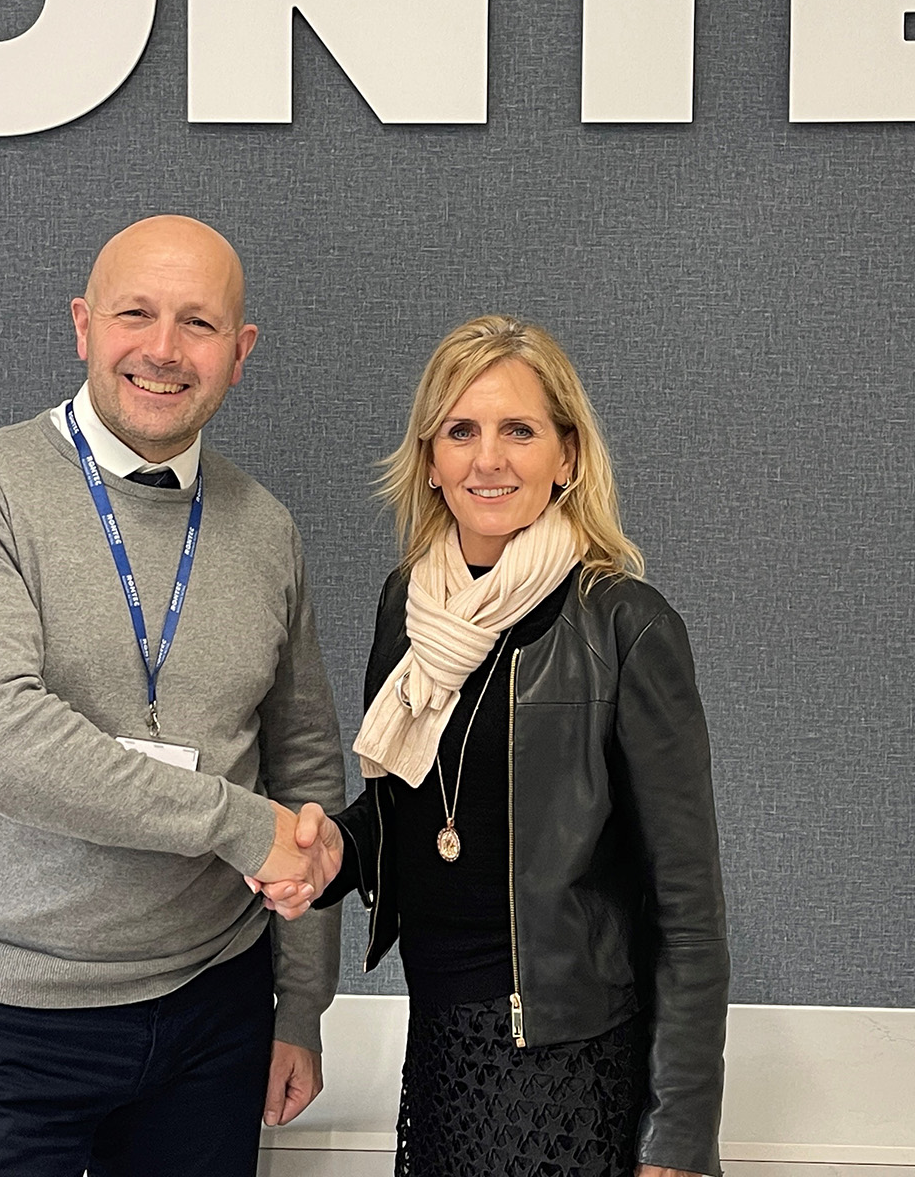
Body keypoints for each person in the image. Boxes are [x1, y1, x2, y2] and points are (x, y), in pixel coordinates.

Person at [0, 214, 346, 1177]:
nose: (164, 350)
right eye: (136, 313)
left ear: (240, 353)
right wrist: (233, 823)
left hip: (214, 1016)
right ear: (83, 326)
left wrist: (299, 1006)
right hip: (3, 1022)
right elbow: (0, 744)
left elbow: (304, 765)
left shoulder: (267, 530)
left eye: (198, 323)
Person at [265, 314, 730, 1177]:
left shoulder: (625, 626)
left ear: (568, 456)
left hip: (569, 1060)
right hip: (442, 1042)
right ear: (429, 460)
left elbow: (690, 910)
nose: (488, 459)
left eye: (519, 430)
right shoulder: (410, 606)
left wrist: (680, 1132)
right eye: (461, 431)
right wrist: (340, 851)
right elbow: (414, 807)